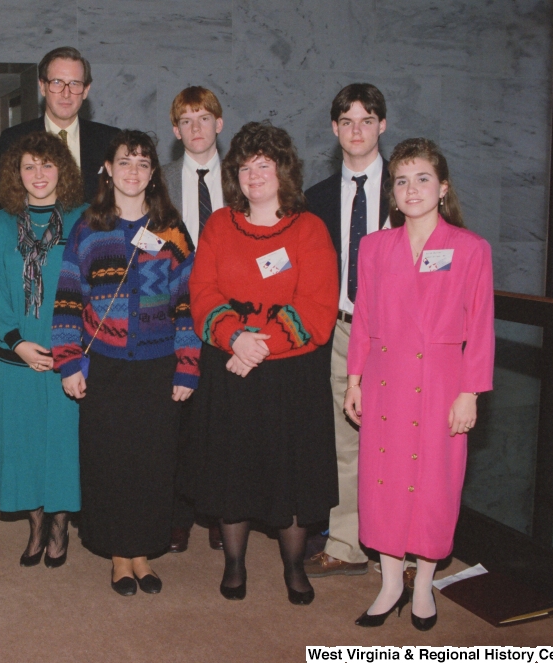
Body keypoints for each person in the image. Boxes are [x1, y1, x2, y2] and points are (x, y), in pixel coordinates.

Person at [345, 138, 494, 631]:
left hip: (442, 384)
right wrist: (354, 380)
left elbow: (482, 325)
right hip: (386, 381)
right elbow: (363, 319)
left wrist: (471, 392)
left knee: (434, 485)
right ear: (392, 193)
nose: (412, 189)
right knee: (383, 482)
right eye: (402, 181)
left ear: (443, 187)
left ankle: (424, 584)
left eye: (423, 178)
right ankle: (390, 584)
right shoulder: (374, 246)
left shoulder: (471, 249)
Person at [189, 121, 339, 604]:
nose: (254, 175)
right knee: (234, 472)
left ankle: (294, 568)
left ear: (283, 170)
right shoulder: (218, 225)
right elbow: (202, 293)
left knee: (289, 477)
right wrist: (235, 338)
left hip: (290, 377)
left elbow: (317, 307)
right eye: (246, 167)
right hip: (230, 371)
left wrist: (260, 345)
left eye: (264, 165)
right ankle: (234, 566)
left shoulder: (310, 228)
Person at [52, 130, 200, 596]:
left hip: (158, 365)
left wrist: (188, 365)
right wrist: (68, 361)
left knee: (153, 462)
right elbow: (69, 298)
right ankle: (119, 554)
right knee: (110, 461)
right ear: (108, 170)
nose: (133, 170)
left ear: (152, 173)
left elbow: (187, 305)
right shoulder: (88, 228)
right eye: (125, 161)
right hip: (106, 364)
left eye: (142, 162)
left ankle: (143, 551)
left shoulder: (171, 229)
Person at [0, 132, 86, 567]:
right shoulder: (1, 224)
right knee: (25, 444)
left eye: (47, 165)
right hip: (18, 356)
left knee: (63, 444)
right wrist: (19, 343)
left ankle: (60, 528)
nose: (39, 174)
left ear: (61, 170)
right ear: (16, 174)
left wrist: (73, 350)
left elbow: (91, 287)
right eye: (29, 166)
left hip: (68, 355)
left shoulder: (83, 219)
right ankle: (35, 527)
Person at [304, 83, 390, 579]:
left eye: (367, 119)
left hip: (396, 338)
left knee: (400, 438)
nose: (356, 129)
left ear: (381, 125)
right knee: (344, 442)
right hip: (339, 332)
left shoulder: (407, 190)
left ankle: (397, 546)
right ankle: (346, 542)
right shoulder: (314, 198)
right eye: (347, 121)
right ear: (335, 129)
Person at [162, 86, 226, 554]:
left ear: (219, 124)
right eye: (186, 120)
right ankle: (179, 514)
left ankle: (225, 511)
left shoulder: (248, 179)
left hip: (231, 317)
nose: (196, 128)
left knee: (226, 418)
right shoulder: (158, 180)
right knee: (177, 421)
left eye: (204, 118)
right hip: (174, 318)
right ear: (175, 130)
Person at [0, 46, 120, 207]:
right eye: (57, 82)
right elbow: (3, 205)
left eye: (74, 83)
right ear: (42, 87)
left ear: (86, 90)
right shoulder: (13, 140)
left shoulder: (110, 140)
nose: (66, 93)